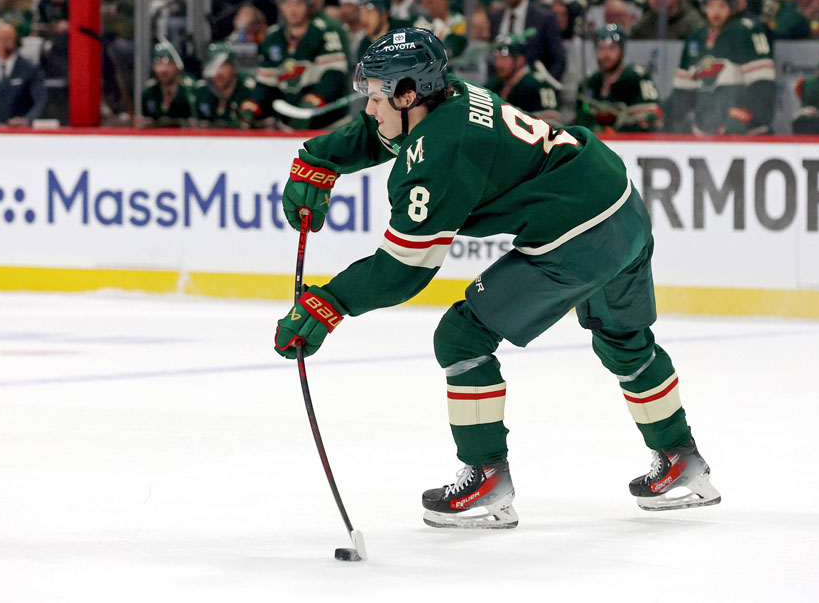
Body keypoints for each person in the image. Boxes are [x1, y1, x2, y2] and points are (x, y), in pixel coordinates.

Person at [273, 28, 720, 529]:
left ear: (406, 94)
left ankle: (487, 479)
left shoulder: (440, 153)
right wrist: (320, 157)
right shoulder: (449, 96)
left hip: (577, 234)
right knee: (624, 341)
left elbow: (403, 270)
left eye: (377, 95)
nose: (369, 107)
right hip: (621, 204)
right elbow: (384, 131)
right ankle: (682, 460)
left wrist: (328, 304)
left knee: (461, 337)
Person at [668, 0, 775, 135]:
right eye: (711, 6)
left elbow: (762, 85)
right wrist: (663, 112)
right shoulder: (695, 39)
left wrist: (749, 117)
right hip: (705, 132)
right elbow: (683, 92)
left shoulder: (746, 32)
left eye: (721, 6)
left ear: (732, 7)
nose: (716, 12)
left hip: (745, 134)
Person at [256, 0, 350, 129]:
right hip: (287, 125)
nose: (293, 10)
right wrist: (255, 106)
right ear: (282, 6)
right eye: (288, 4)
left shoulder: (325, 31)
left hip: (328, 124)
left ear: (307, 6)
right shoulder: (272, 37)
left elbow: (334, 76)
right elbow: (266, 84)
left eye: (298, 4)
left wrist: (315, 99)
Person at [576, 24, 662, 132]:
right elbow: (582, 118)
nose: (606, 54)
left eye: (612, 48)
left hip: (632, 145)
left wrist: (617, 132)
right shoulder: (591, 83)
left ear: (622, 51)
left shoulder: (637, 78)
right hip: (598, 146)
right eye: (601, 48)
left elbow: (651, 118)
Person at [487, 0, 567, 82]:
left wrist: (546, 86)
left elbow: (558, 59)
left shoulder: (544, 18)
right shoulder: (494, 18)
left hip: (533, 87)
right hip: (501, 88)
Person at [192, 42, 271, 129]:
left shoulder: (249, 88)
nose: (218, 72)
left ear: (234, 67)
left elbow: (248, 123)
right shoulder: (202, 90)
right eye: (212, 67)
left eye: (223, 65)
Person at [487, 32, 560, 117]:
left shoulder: (538, 85)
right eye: (496, 58)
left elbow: (552, 119)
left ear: (520, 60)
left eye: (504, 58)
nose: (498, 64)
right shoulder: (495, 84)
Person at [141, 40, 196, 128]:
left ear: (178, 66)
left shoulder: (191, 90)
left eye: (168, 64)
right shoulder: (149, 92)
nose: (163, 69)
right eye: (158, 64)